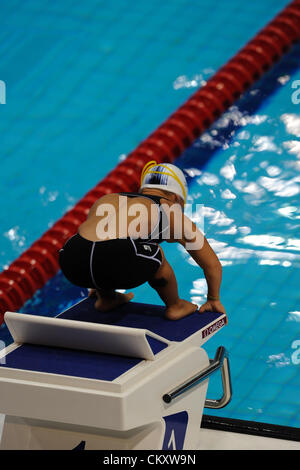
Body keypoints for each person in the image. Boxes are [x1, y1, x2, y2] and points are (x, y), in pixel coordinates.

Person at [59, 161, 226, 320]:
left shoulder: (107, 199)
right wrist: (213, 298)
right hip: (109, 260)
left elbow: (93, 243)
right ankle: (175, 306)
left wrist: (95, 279)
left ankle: (107, 298)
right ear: (175, 197)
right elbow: (211, 264)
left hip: (71, 260)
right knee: (152, 251)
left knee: (114, 244)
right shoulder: (170, 211)